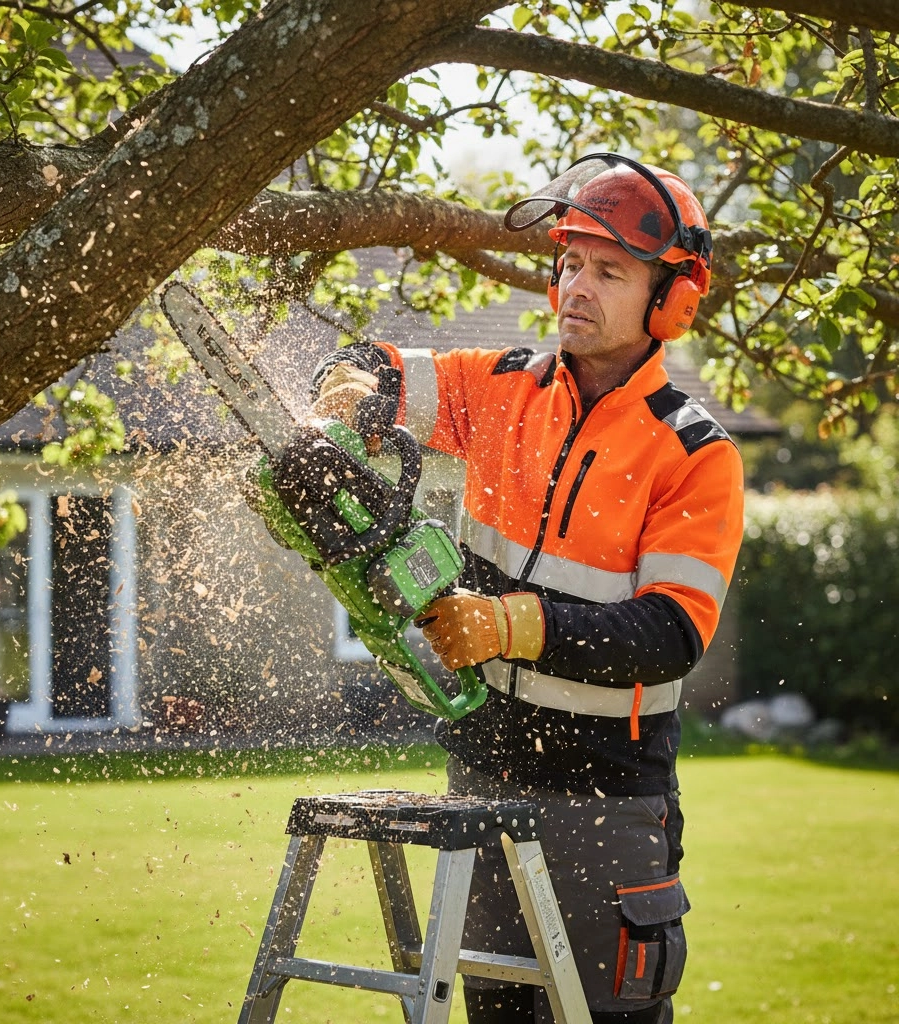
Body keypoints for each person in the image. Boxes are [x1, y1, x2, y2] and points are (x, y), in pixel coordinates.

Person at [310, 153, 745, 1024]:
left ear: (672, 300)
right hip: (482, 778)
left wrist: (513, 624)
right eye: (570, 263)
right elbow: (380, 363)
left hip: (607, 804)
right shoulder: (504, 388)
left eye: (609, 271)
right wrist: (346, 393)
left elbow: (670, 634)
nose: (576, 287)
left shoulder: (694, 455)